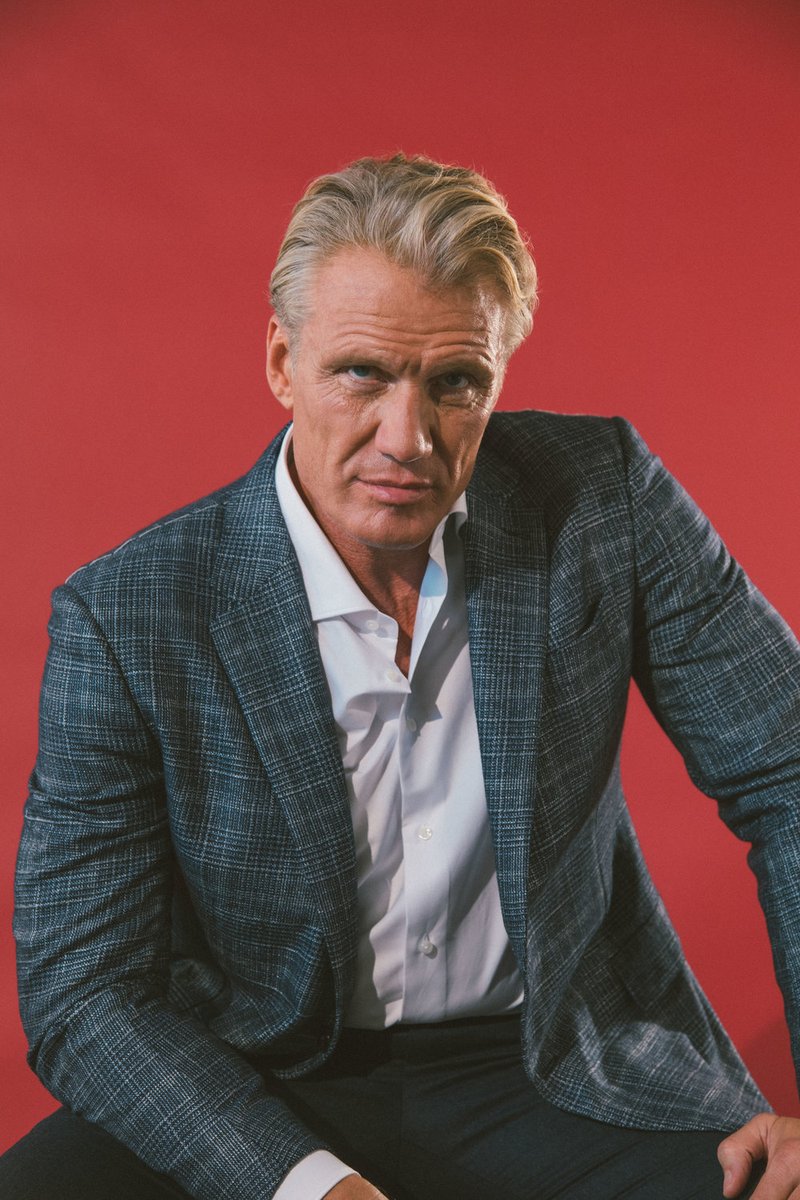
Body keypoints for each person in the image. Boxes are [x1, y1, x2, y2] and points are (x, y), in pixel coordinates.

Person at [3, 153, 800, 1200]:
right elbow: (84, 989)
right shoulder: (130, 612)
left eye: (454, 382)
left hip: (552, 1065)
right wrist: (306, 1185)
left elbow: (787, 769)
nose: (407, 438)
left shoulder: (601, 501)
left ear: (496, 377)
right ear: (282, 362)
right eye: (362, 374)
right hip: (258, 1070)